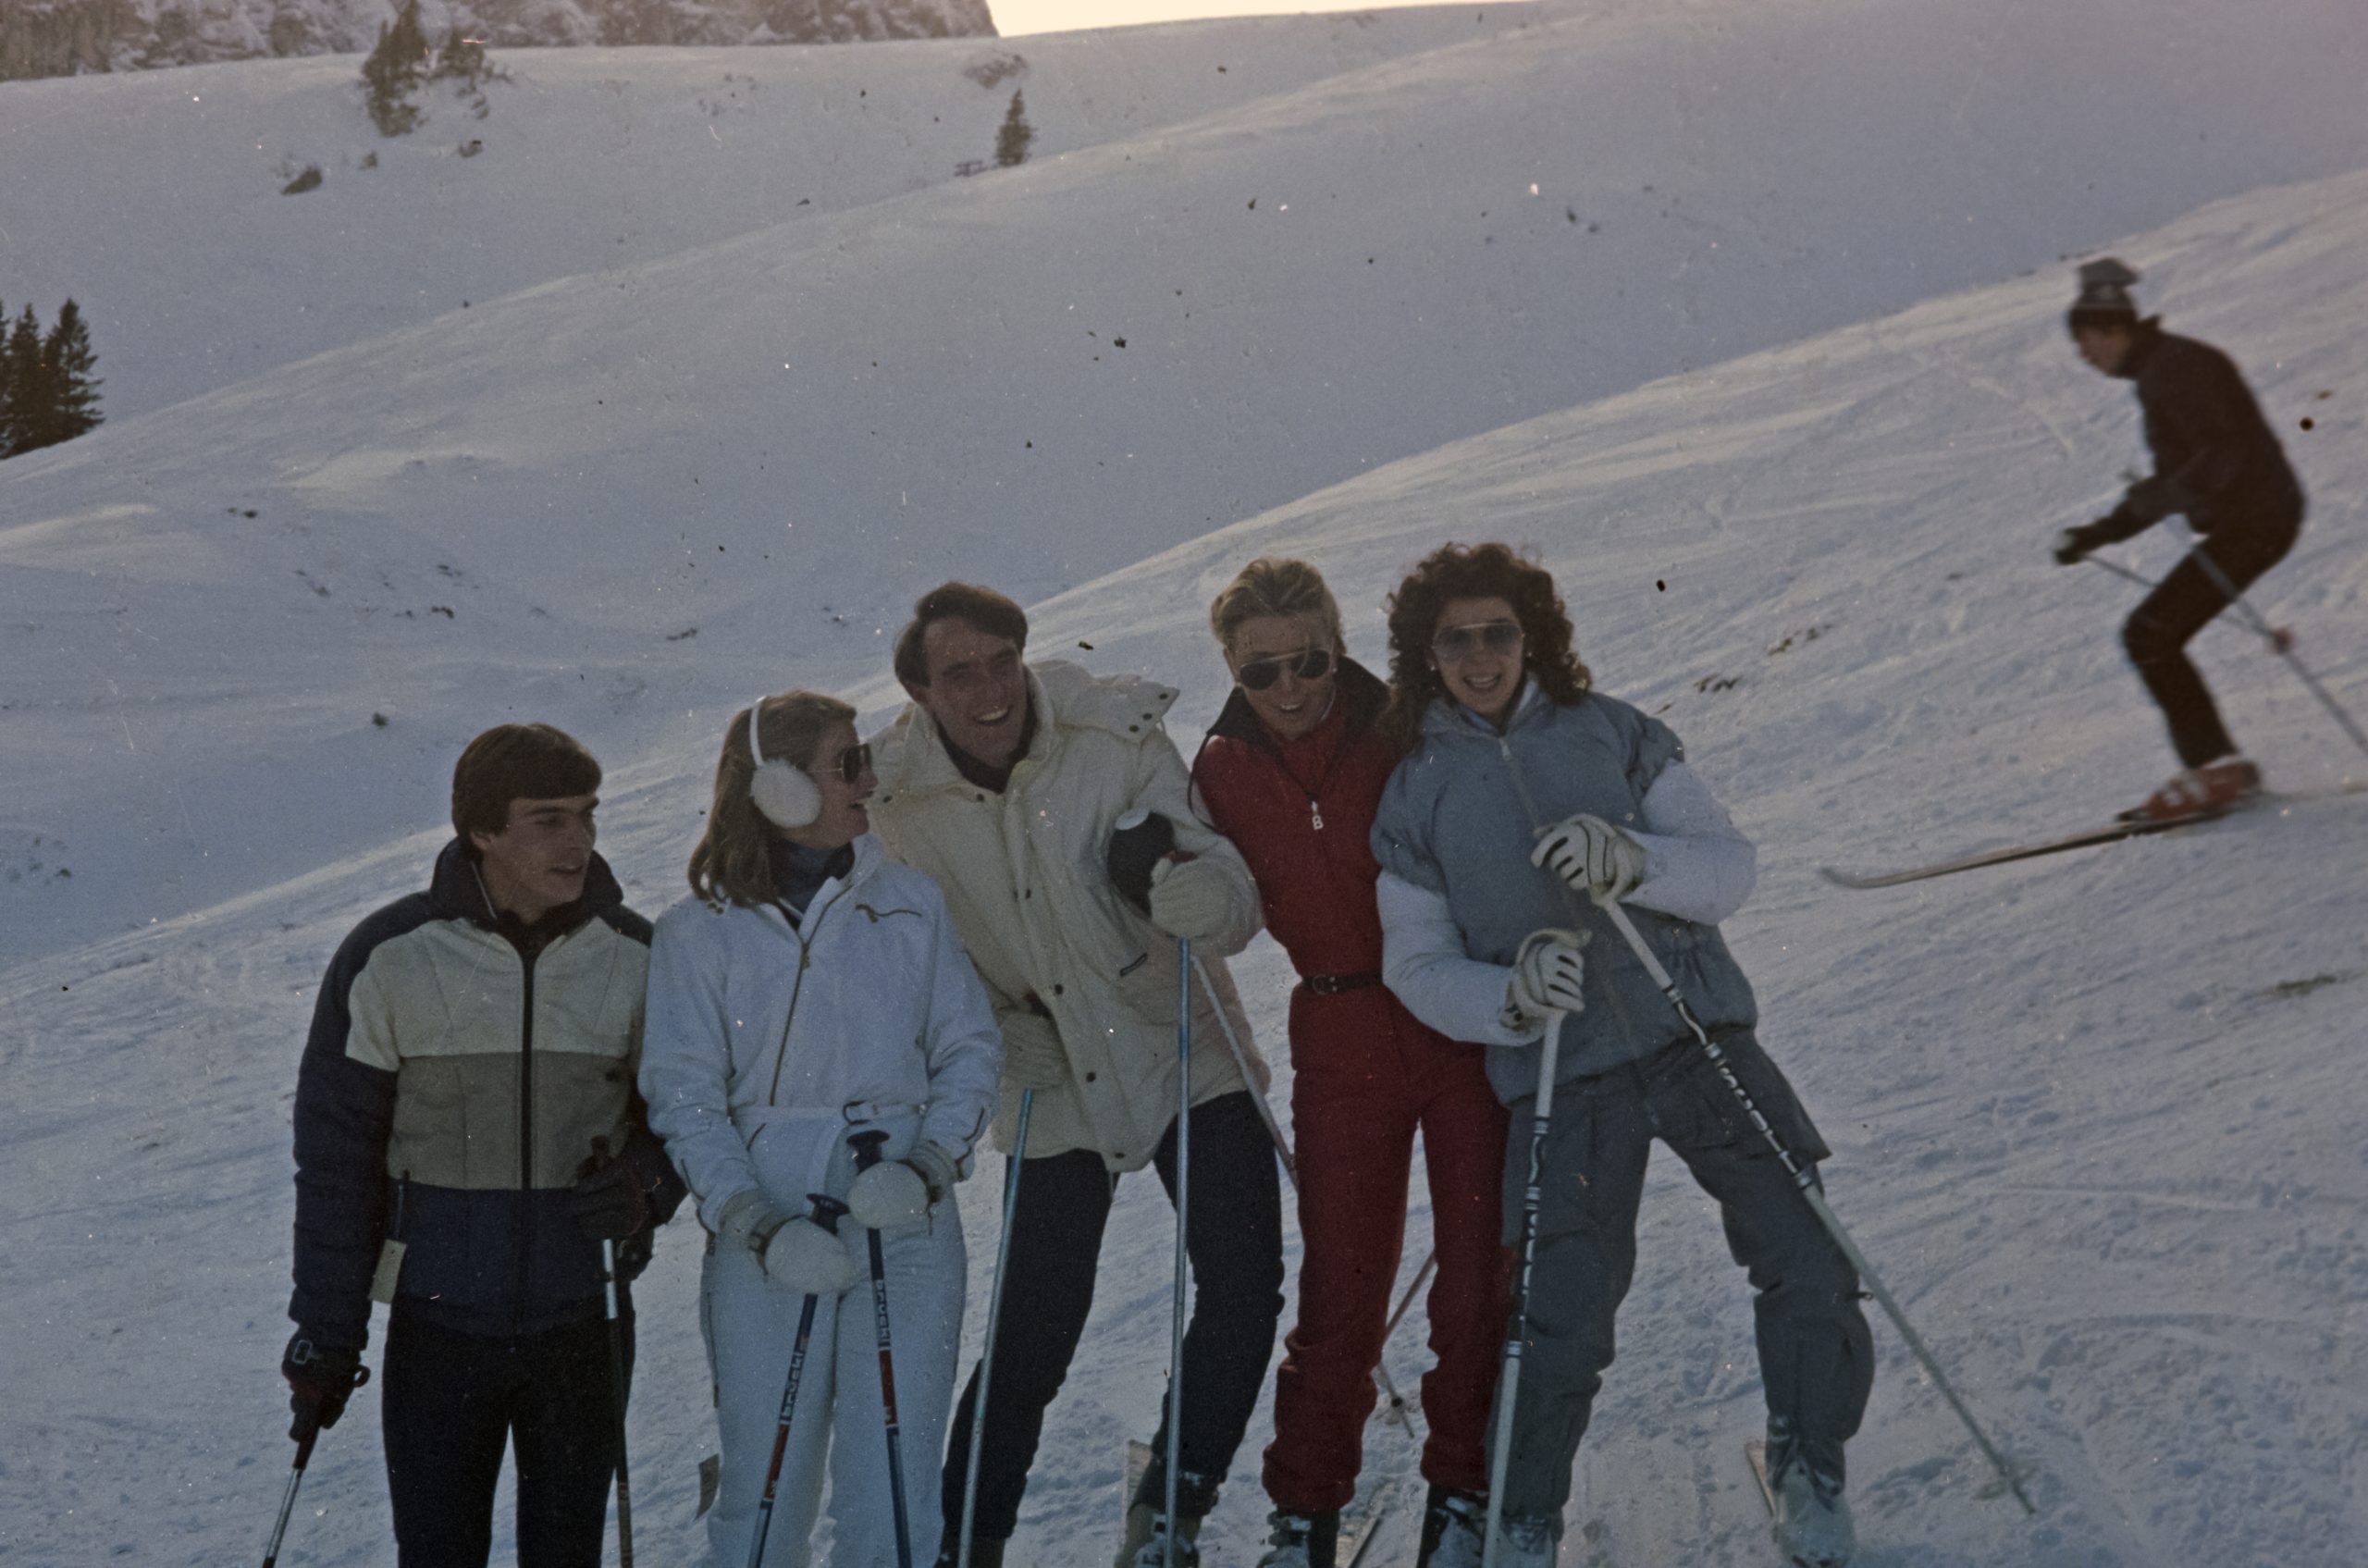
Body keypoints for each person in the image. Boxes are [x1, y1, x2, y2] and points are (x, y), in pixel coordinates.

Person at [1367, 544, 1874, 1568]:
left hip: (1693, 1036)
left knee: (1805, 1247)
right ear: (1427, 653)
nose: (1479, 656)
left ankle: (1807, 1464)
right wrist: (1509, 997)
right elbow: (1415, 965)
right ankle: (1522, 1519)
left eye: (1498, 632)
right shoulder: (1415, 794)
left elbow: (1728, 868)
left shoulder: (1614, 731)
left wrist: (1632, 858)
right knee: (1561, 1311)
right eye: (1455, 639)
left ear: (1532, 636)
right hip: (1566, 1072)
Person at [863, 582, 1285, 1568]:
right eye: (958, 674)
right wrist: (992, 1036)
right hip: (1047, 1071)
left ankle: (1169, 1513)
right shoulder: (893, 798)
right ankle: (966, 1539)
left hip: (1179, 1043)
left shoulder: (1112, 732)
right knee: (1033, 1331)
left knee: (1243, 1284)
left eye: (1001, 660)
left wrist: (1206, 897)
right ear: (920, 693)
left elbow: (1223, 873)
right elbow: (895, 962)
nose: (989, 690)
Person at [284, 722, 685, 1568]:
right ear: (481, 830)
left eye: (588, 814)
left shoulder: (636, 956)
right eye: (549, 819)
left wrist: (644, 1186)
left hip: (584, 1322)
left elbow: (684, 1117)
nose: (579, 840)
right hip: (440, 1331)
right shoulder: (389, 957)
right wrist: (328, 1329)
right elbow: (337, 1160)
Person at [1185, 559, 1511, 1568]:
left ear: (1338, 645)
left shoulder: (1405, 725)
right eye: (1261, 670)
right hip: (1337, 1029)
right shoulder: (1220, 770)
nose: (1289, 687)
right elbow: (1203, 884)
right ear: (1231, 670)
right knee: (1342, 1284)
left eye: (1310, 660)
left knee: (1477, 1273)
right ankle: (1305, 1509)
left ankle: (1463, 1489)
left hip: (1451, 1014)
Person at [638, 692, 1003, 1568]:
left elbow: (969, 1048)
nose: (869, 781)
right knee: (767, 1484)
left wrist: (927, 1165)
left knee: (895, 1485)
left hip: (903, 1221)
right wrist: (755, 1223)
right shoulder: (697, 933)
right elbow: (685, 1097)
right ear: (778, 785)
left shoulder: (908, 902)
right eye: (848, 764)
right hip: (770, 1231)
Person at [2052, 256, 2307, 819]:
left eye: (2086, 342)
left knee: (2150, 635)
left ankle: (2216, 771)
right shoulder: (2166, 368)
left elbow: (2222, 452)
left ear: (2112, 329)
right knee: (2152, 634)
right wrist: (2101, 532)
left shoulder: (2174, 370)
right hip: (2257, 518)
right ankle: (2219, 768)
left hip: (2256, 520)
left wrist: (2174, 494)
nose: (2084, 356)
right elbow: (2184, 473)